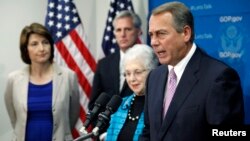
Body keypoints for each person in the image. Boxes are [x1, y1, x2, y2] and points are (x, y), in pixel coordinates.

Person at [140, 1, 245, 141]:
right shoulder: (154, 77)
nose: (153, 41)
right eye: (151, 34)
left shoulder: (219, 78)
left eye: (161, 34)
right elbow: (149, 131)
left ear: (186, 33)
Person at [4, 23, 80, 141]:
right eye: (34, 44)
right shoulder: (13, 79)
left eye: (45, 42)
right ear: (25, 50)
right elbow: (15, 118)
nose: (42, 48)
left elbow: (72, 116)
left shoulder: (68, 76)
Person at [89, 10, 142, 110]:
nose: (122, 34)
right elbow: (94, 105)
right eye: (118, 30)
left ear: (138, 31)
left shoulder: (150, 61)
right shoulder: (104, 64)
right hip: (108, 124)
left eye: (127, 29)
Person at [105, 44, 158, 141]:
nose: (132, 79)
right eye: (128, 74)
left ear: (152, 71)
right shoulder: (120, 105)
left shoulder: (160, 106)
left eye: (137, 72)